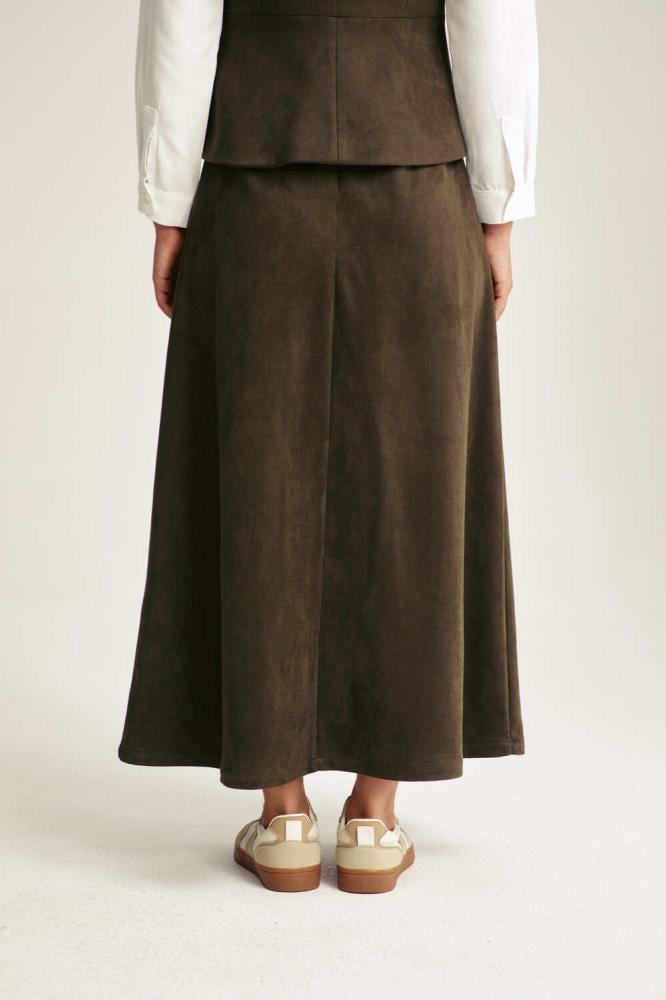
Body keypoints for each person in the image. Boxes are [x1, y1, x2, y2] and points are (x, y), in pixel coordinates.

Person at [118, 0, 538, 894]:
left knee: (258, 480)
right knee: (412, 491)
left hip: (255, 184)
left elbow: (182, 23)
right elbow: (489, 20)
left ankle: (282, 817)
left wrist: (169, 205)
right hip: (417, 183)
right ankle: (374, 818)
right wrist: (499, 206)